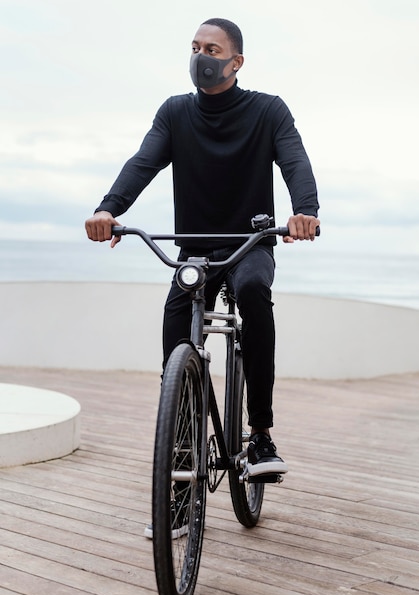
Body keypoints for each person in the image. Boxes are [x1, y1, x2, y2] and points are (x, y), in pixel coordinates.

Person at [85, 17, 320, 537]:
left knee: (256, 292)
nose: (201, 56)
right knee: (175, 355)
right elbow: (143, 162)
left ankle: (259, 435)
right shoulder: (175, 113)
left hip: (250, 243)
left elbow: (295, 162)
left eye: (211, 48)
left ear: (236, 62)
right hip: (193, 249)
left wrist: (305, 210)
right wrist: (109, 209)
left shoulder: (268, 110)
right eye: (194, 47)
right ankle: (180, 487)